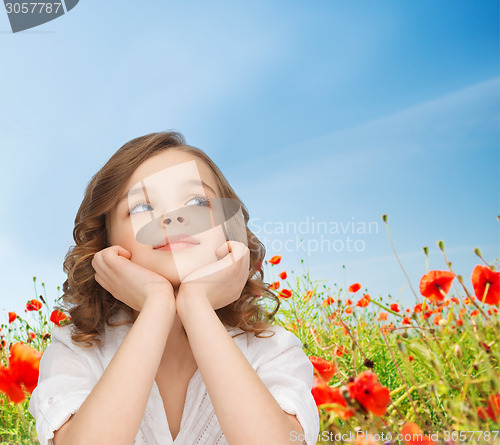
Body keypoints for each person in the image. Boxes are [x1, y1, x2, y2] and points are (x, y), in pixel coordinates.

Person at [28, 131, 320, 445]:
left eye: (197, 202)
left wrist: (196, 304)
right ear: (107, 242)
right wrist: (157, 305)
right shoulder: (78, 351)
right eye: (140, 208)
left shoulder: (271, 348)